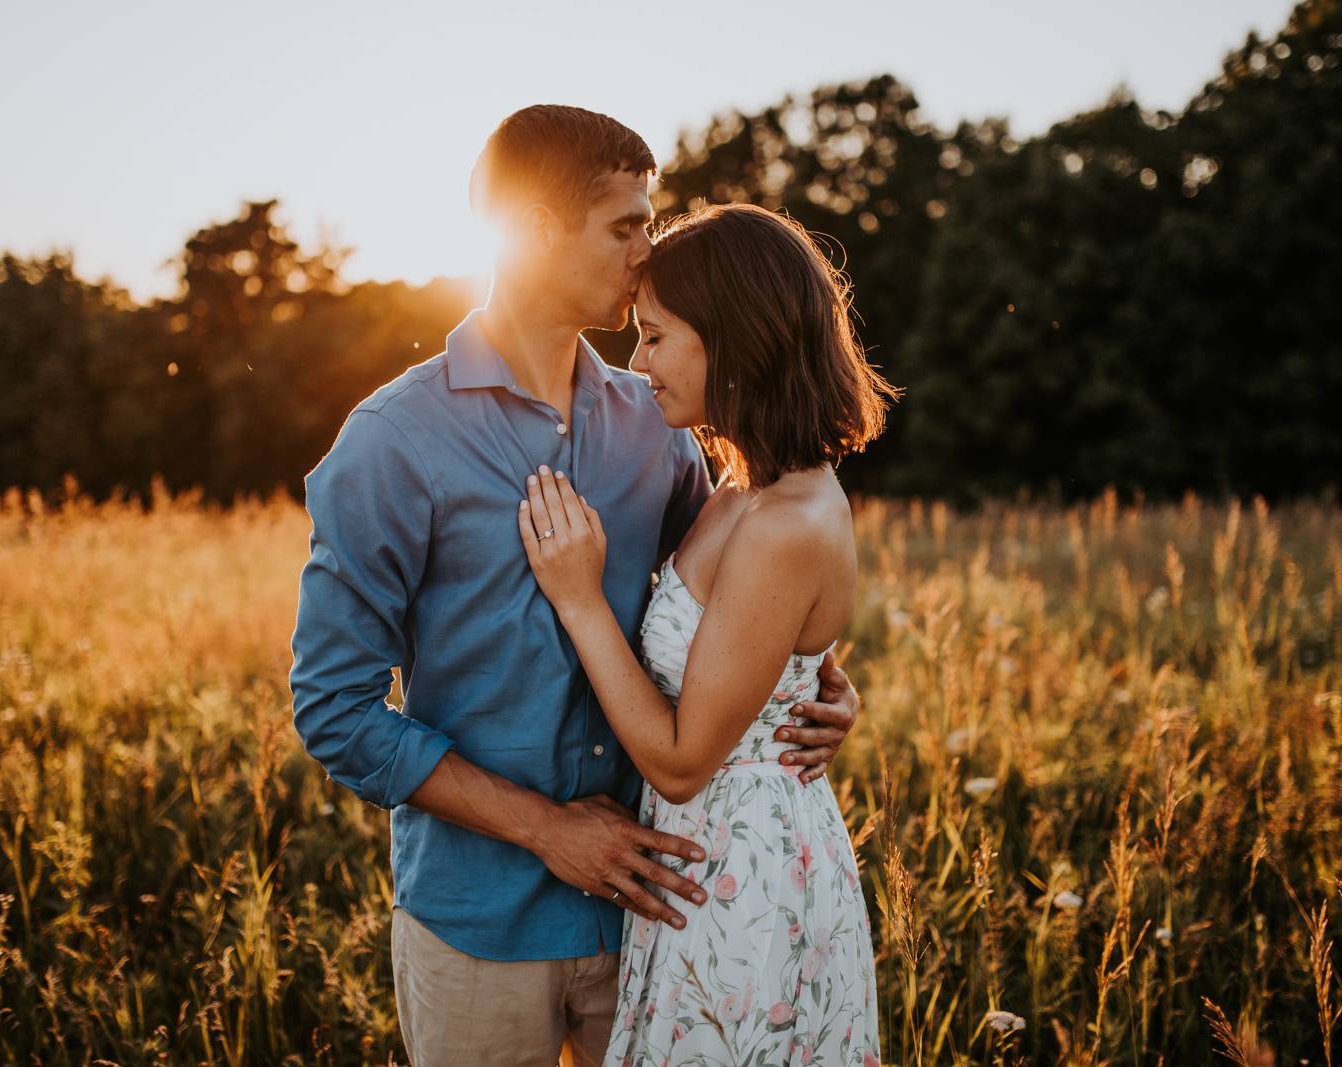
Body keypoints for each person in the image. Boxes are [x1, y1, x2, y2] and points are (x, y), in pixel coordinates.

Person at [287, 105, 862, 1067]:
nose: (648, 251)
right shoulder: (392, 441)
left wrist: (816, 682)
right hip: (479, 925)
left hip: (660, 916)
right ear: (539, 232)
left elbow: (730, 599)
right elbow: (334, 711)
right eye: (626, 225)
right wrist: (546, 830)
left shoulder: (660, 424)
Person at [516, 203, 895, 1066]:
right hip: (705, 865)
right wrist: (825, 683)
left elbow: (684, 764)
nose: (636, 361)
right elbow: (768, 656)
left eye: (656, 337)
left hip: (743, 878)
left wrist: (579, 599)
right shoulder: (736, 486)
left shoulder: (785, 520)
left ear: (732, 338)